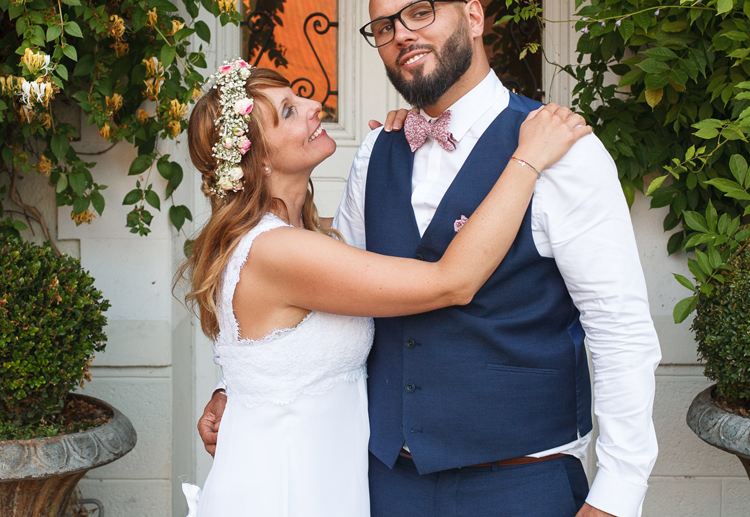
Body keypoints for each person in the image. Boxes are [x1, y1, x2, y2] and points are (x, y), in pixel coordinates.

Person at [198, 0, 662, 517]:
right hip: (384, 485)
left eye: (421, 12)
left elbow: (619, 326)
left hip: (521, 484)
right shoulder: (375, 153)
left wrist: (619, 490)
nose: (402, 35)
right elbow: (320, 305)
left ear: (473, 17)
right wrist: (242, 387)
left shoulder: (560, 147)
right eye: (385, 27)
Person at [180, 57, 591, 517]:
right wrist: (528, 159)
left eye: (298, 97)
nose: (315, 105)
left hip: (326, 478)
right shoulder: (279, 250)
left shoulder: (298, 239)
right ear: (256, 156)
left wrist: (415, 136)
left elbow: (270, 350)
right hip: (288, 488)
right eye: (289, 112)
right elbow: (451, 282)